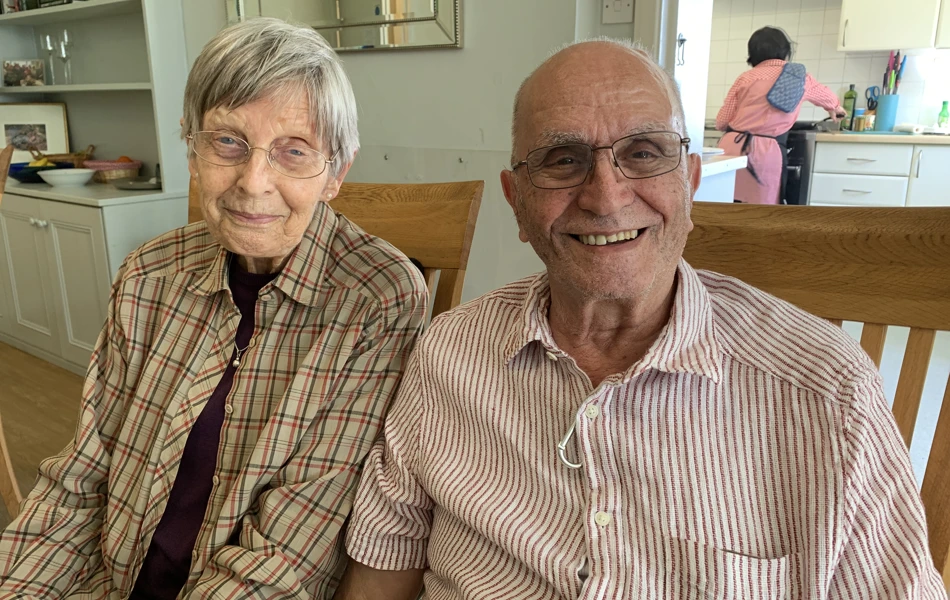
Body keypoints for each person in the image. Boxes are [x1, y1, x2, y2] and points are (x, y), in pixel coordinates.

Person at [334, 39, 947, 599]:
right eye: (563, 159)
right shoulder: (448, 356)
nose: (605, 195)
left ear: (691, 183)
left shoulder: (827, 396)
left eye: (644, 152)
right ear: (516, 203)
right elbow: (382, 570)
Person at [0, 18, 427, 600]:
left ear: (336, 173)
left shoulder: (377, 299)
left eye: (294, 151)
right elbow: (80, 480)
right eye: (227, 141)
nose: (253, 182)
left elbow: (288, 547)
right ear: (192, 149)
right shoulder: (150, 273)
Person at [717, 27, 845, 204]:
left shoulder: (745, 78)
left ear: (752, 54)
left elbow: (721, 122)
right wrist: (836, 109)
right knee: (763, 211)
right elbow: (827, 96)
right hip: (766, 152)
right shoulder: (797, 77)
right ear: (786, 52)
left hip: (730, 149)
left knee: (725, 205)